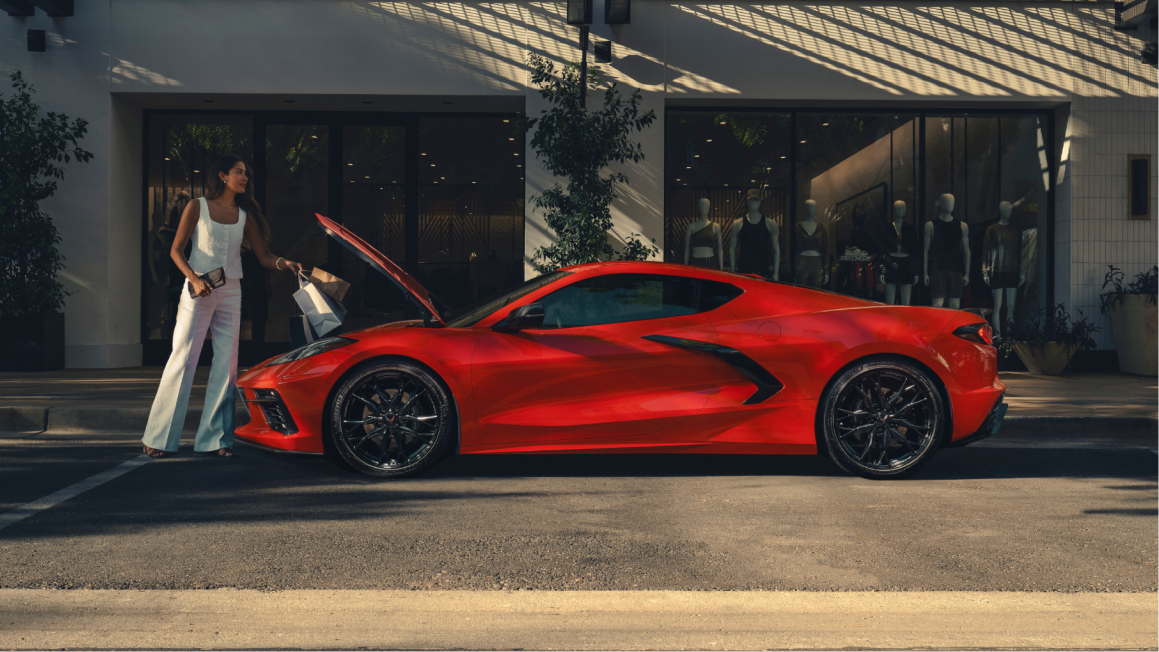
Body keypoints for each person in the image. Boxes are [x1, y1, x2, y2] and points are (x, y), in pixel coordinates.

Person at [141, 154, 302, 458]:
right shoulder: (197, 206)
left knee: (226, 366)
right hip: (198, 289)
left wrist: (285, 263)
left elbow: (264, 256)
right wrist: (193, 279)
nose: (245, 178)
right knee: (183, 358)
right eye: (239, 173)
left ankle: (215, 439)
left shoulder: (245, 215)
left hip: (231, 292)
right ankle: (159, 436)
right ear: (223, 176)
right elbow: (176, 251)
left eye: (246, 174)